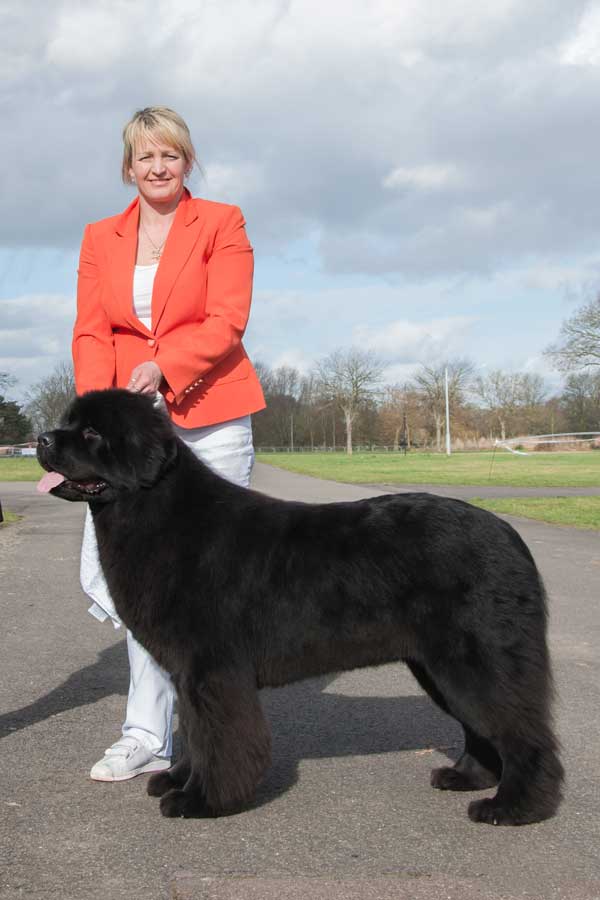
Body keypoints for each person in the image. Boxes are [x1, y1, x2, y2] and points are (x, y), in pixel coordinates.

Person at [73, 106, 265, 781]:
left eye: (171, 155)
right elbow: (93, 330)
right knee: (144, 586)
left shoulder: (222, 222)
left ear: (187, 162)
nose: (158, 167)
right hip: (130, 437)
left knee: (215, 586)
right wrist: (104, 417)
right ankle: (145, 735)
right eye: (145, 157)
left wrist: (168, 368)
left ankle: (216, 733)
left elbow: (227, 319)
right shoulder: (101, 236)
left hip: (211, 417)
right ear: (128, 166)